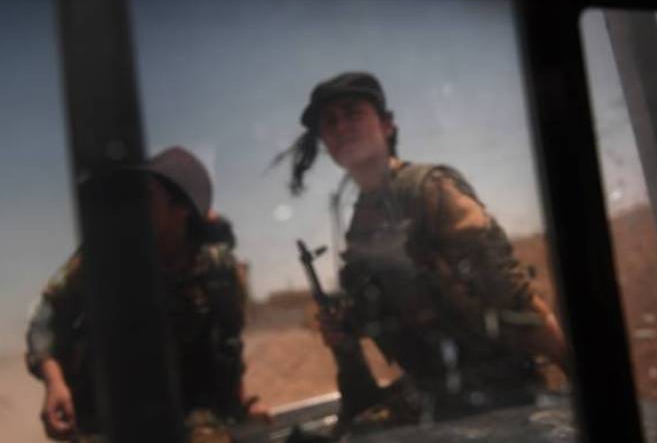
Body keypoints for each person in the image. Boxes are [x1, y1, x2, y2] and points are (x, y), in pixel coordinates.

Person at [283, 72, 569, 430]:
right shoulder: (358, 222)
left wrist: (574, 369)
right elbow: (390, 310)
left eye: (352, 113)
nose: (341, 127)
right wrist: (344, 327)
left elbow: (514, 297)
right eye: (330, 122)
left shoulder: (429, 190)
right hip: (436, 400)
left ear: (387, 125)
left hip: (497, 396)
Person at [26, 147, 268, 442]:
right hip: (108, 414)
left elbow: (227, 346)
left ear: (181, 208)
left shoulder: (219, 272)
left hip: (187, 413)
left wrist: (243, 404)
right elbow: (46, 316)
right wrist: (54, 382)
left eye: (147, 195)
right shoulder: (105, 255)